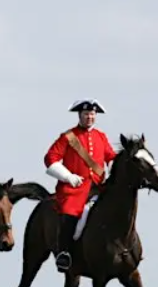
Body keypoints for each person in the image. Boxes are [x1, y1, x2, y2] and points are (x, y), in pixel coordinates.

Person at [43, 99, 118, 272]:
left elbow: (111, 158)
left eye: (92, 114)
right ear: (80, 115)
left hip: (98, 187)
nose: (89, 117)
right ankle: (64, 253)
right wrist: (68, 176)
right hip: (74, 189)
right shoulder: (68, 137)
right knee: (71, 212)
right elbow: (50, 158)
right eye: (86, 114)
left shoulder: (101, 136)